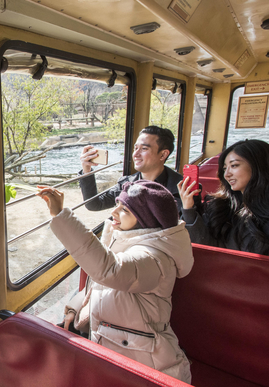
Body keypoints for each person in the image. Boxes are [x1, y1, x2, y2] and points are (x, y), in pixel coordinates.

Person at [37, 180, 193, 383]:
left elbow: (110, 271)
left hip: (147, 365)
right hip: (116, 353)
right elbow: (100, 286)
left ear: (145, 220)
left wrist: (61, 215)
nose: (114, 213)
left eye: (124, 210)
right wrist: (75, 307)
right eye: (117, 205)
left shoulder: (155, 259)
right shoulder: (127, 241)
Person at [178, 139, 269, 255]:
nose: (227, 174)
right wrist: (188, 208)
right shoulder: (222, 206)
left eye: (234, 165)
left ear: (259, 166)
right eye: (225, 168)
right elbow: (205, 246)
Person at [80, 126, 185, 213]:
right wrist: (87, 170)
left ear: (163, 154)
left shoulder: (182, 188)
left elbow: (193, 233)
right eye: (135, 148)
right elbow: (94, 204)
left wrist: (188, 209)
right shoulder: (126, 183)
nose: (135, 154)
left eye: (144, 149)